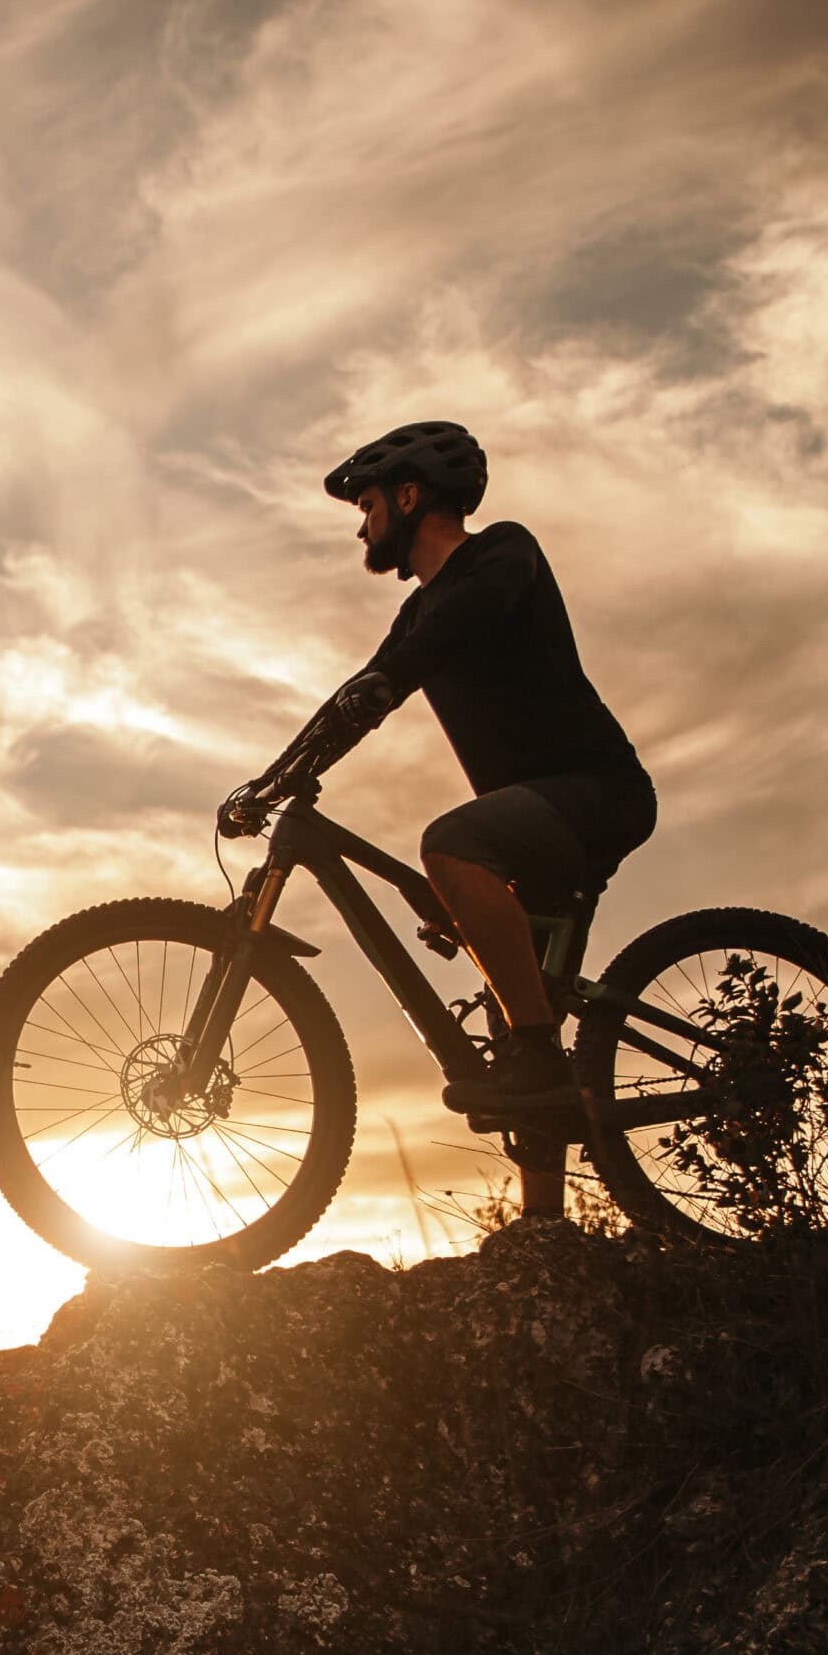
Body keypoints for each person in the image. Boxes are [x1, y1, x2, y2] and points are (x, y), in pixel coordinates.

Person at [323, 421, 657, 1152]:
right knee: (516, 1042)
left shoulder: (502, 553)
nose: (362, 530)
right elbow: (360, 694)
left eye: (369, 507)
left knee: (452, 842)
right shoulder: (416, 615)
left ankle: (536, 1051)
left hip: (596, 790)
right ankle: (542, 1236)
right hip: (533, 829)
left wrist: (388, 678)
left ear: (410, 496)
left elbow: (461, 621)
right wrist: (281, 776)